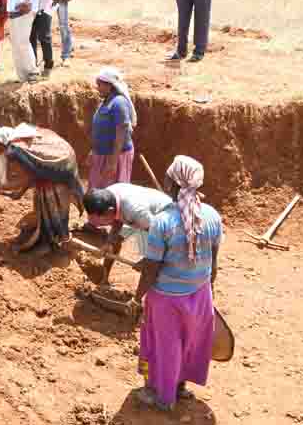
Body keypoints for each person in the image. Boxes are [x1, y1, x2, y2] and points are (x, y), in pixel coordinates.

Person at [130, 155, 223, 412]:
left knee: (165, 346)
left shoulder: (163, 222)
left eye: (167, 176)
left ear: (171, 184)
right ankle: (179, 387)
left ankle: (161, 397)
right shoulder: (212, 216)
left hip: (166, 299)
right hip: (200, 294)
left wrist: (136, 297)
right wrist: (207, 290)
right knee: (190, 342)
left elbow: (151, 268)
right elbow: (212, 264)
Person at [0, 124, 84, 254]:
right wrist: (19, 193)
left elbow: (27, 178)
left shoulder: (15, 150)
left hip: (60, 164)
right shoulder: (12, 139)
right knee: (42, 196)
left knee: (49, 197)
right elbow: (33, 170)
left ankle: (51, 241)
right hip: (61, 154)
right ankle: (49, 232)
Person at [82, 183, 173, 285]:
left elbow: (161, 235)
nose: (97, 223)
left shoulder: (136, 212)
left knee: (152, 265)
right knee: (114, 242)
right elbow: (117, 218)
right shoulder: (109, 195)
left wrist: (148, 259)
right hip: (138, 217)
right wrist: (109, 242)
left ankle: (140, 299)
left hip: (165, 222)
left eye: (100, 220)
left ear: (109, 211)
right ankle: (103, 279)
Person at [86, 67, 137, 229]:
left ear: (110, 85)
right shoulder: (107, 101)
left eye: (100, 84)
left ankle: (116, 226)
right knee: (97, 187)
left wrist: (113, 162)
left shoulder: (119, 103)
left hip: (116, 155)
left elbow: (121, 132)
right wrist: (93, 151)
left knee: (112, 192)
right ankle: (95, 223)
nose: (97, 87)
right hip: (102, 154)